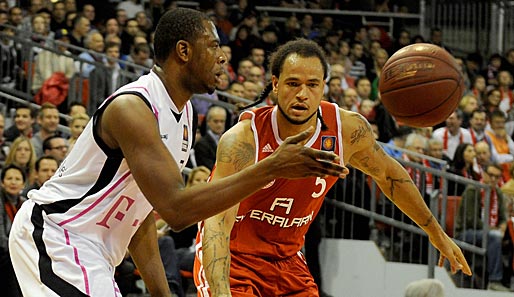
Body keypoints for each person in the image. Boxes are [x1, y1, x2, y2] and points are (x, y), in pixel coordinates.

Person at [8, 9, 346, 297]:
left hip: (93, 249)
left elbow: (138, 217)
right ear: (183, 51)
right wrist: (270, 168)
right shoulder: (134, 109)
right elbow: (176, 210)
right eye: (214, 46)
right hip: (58, 233)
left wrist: (162, 293)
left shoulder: (184, 117)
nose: (223, 57)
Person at [193, 38, 471, 297]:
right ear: (275, 84)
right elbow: (216, 223)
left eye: (312, 85)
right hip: (233, 255)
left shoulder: (346, 130)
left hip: (286, 259)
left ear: (323, 86)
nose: (302, 94)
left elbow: (388, 175)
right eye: (293, 84)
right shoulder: (243, 139)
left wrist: (436, 232)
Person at [456, 163, 510, 291]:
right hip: (466, 233)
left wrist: (502, 226)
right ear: (483, 174)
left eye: (497, 177)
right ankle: (494, 281)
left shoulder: (497, 192)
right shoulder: (473, 190)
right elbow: (471, 220)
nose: (493, 179)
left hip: (489, 233)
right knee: (495, 237)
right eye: (490, 175)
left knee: (504, 237)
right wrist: (494, 230)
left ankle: (508, 280)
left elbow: (503, 217)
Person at [0, 164, 27, 297]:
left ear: (23, 184)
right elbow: (1, 238)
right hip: (4, 254)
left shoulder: (25, 203)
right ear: (2, 183)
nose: (13, 182)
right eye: (9, 178)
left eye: (17, 179)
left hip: (18, 252)